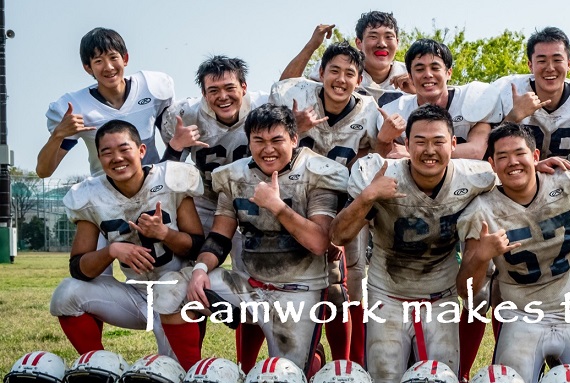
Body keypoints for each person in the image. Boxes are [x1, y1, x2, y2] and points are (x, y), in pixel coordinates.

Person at [155, 104, 350, 377]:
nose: (267, 149)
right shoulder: (234, 176)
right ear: (249, 142)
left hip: (299, 290)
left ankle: (313, 358)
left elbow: (319, 242)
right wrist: (200, 270)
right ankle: (191, 372)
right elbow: (219, 237)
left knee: (285, 375)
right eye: (259, 141)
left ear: (294, 139)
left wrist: (278, 207)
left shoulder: (319, 171)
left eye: (276, 140)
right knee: (171, 288)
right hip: (250, 286)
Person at [329, 104, 497, 383]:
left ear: (454, 144)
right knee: (385, 377)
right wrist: (367, 197)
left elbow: (514, 181)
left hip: (439, 296)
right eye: (419, 141)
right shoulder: (380, 172)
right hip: (387, 294)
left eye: (438, 141)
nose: (429, 150)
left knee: (441, 377)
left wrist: (535, 169)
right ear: (406, 144)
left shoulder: (477, 177)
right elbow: (338, 236)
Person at [271, 41, 401, 364]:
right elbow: (271, 149)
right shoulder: (298, 96)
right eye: (334, 71)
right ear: (321, 73)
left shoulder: (369, 109)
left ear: (359, 80)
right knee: (288, 283)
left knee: (345, 288)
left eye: (350, 73)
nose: (341, 79)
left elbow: (377, 160)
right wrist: (295, 131)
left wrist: (384, 141)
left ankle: (348, 363)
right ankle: (306, 354)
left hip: (344, 209)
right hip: (297, 203)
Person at [456, 123, 570, 383]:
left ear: (536, 156)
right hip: (521, 317)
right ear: (492, 164)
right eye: (503, 157)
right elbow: (466, 292)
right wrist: (482, 256)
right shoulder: (481, 210)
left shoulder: (569, 184)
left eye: (520, 153)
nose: (512, 162)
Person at [49, 120, 205, 370]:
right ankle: (99, 368)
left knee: (174, 370)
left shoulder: (171, 179)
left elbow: (197, 247)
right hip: (136, 294)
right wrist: (111, 250)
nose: (116, 158)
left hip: (177, 292)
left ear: (141, 151)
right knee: (66, 294)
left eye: (124, 149)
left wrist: (165, 233)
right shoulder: (89, 195)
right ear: (98, 157)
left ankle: (191, 370)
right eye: (107, 152)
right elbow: (78, 267)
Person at [158, 55, 270, 372]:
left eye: (229, 87)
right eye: (213, 90)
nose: (222, 96)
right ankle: (181, 362)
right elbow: (167, 170)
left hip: (254, 200)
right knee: (185, 276)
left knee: (255, 282)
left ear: (244, 87)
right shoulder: (187, 113)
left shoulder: (263, 106)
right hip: (208, 199)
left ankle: (248, 364)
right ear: (203, 94)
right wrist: (177, 146)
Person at [38, 27, 174, 178]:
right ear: (88, 68)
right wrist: (58, 134)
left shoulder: (152, 87)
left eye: (113, 57)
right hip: (107, 194)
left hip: (151, 186)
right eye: (98, 61)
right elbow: (43, 171)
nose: (108, 67)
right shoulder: (75, 106)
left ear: (125, 58)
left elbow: (174, 141)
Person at [492, 27, 570, 166]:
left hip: (562, 178)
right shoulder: (506, 91)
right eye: (542, 61)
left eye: (557, 60)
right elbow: (486, 158)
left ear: (569, 64)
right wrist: (513, 117)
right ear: (530, 66)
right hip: (515, 178)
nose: (550, 68)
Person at [380, 39, 503, 160]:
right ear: (410, 77)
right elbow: (386, 155)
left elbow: (475, 151)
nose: (428, 74)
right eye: (419, 69)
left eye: (435, 68)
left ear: (449, 72)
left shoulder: (475, 98)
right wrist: (382, 140)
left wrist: (414, 154)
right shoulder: (395, 110)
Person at [281, 12, 413, 106]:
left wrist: (418, 91)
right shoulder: (338, 68)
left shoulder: (412, 74)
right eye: (373, 36)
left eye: (388, 37)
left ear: (397, 42)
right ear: (359, 43)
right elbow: (284, 89)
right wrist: (311, 46)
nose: (382, 43)